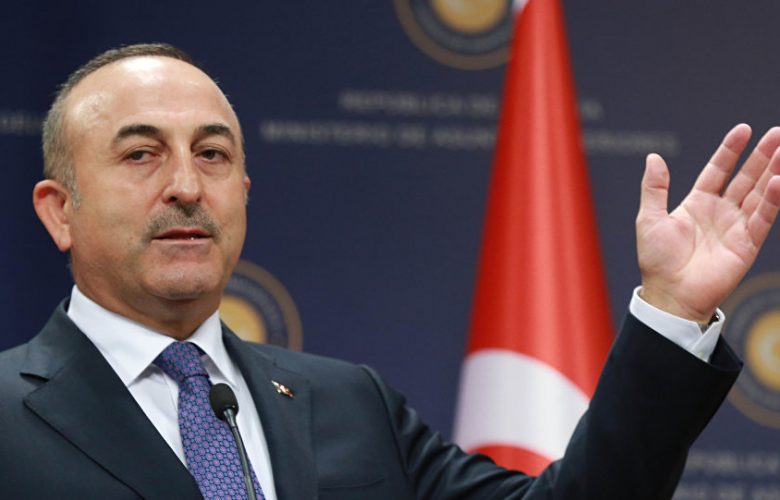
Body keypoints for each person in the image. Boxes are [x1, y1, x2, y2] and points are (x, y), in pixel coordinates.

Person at [0, 43, 778, 500]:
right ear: (58, 210)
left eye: (212, 154)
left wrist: (671, 308)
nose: (186, 186)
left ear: (244, 190)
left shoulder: (348, 404)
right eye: (141, 154)